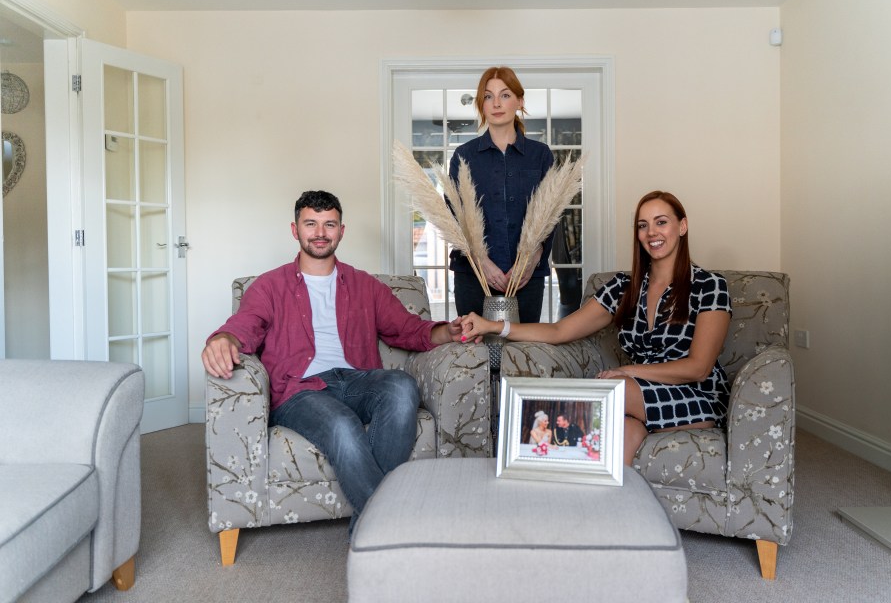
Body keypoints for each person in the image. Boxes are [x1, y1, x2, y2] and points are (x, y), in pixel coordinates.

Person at [201, 190, 466, 530]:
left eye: (329, 224)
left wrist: (448, 332)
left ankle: (369, 524)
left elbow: (406, 329)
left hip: (356, 380)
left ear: (342, 231)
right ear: (295, 230)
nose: (320, 232)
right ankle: (389, 528)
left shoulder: (364, 285)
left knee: (401, 386)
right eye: (311, 224)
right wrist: (223, 339)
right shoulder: (268, 286)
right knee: (343, 425)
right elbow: (244, 326)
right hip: (300, 391)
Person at [461, 190, 732, 465]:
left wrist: (627, 371)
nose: (652, 232)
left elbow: (699, 367)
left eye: (661, 222)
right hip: (639, 395)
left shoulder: (710, 286)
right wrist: (494, 325)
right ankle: (597, 503)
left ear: (682, 226)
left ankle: (533, 456)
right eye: (643, 225)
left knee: (612, 390)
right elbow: (559, 331)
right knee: (625, 433)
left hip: (698, 395)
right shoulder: (623, 288)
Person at [449, 66, 555, 323]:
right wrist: (481, 261)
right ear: (481, 105)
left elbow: (551, 214)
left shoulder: (540, 155)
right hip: (473, 276)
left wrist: (533, 258)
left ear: (519, 101)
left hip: (527, 277)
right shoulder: (464, 156)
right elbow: (455, 216)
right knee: (475, 354)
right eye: (488, 96)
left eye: (505, 95)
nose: (496, 103)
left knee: (523, 353)